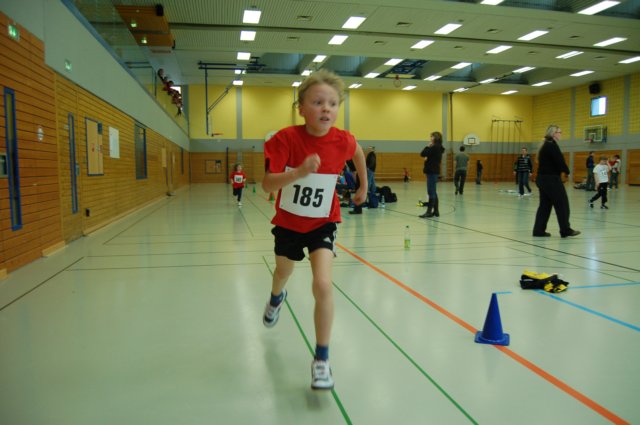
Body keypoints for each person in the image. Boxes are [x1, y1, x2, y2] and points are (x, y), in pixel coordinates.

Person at [260, 69, 367, 390]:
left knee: (322, 284)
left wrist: (363, 185)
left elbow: (358, 152)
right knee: (283, 272)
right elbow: (267, 184)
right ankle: (276, 297)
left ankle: (321, 359)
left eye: (332, 103)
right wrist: (299, 172)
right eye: (318, 102)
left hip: (323, 221)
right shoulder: (285, 139)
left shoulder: (342, 140)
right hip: (289, 223)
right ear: (301, 108)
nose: (326, 109)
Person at [532, 125, 580, 238]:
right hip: (551, 180)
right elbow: (560, 161)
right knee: (562, 204)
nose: (561, 134)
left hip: (542, 179)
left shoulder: (545, 145)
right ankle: (565, 230)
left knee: (545, 206)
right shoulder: (552, 145)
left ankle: (538, 230)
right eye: (559, 132)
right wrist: (567, 172)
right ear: (554, 134)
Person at [419, 131, 444, 218]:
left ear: (435, 138)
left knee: (431, 191)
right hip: (434, 171)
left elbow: (422, 154)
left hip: (432, 171)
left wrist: (428, 146)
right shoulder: (439, 147)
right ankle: (436, 211)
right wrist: (428, 158)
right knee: (433, 191)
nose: (430, 138)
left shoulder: (434, 147)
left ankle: (429, 212)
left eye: (432, 136)